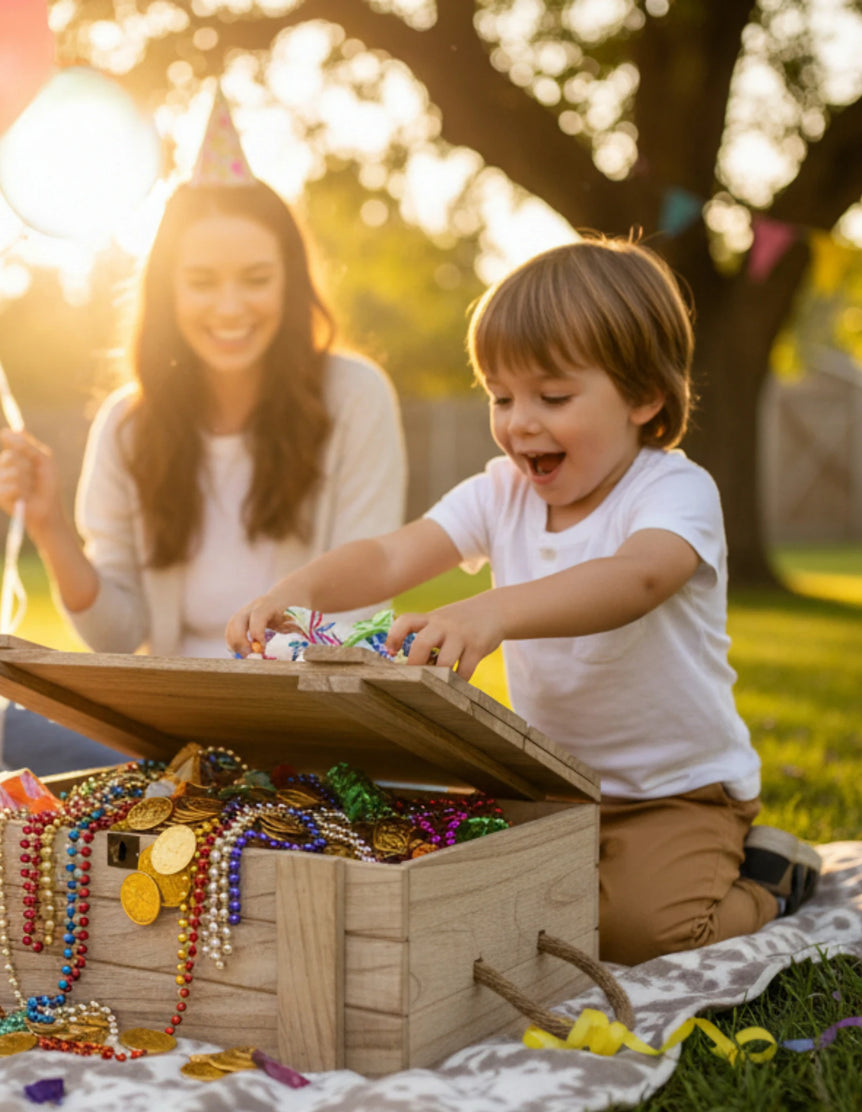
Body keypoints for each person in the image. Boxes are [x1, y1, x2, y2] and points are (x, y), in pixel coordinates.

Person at [227, 236, 820, 967]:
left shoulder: (672, 489)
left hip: (674, 791)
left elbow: (636, 578)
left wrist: (492, 612)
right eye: (501, 397)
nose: (519, 423)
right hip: (546, 782)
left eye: (553, 396)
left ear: (644, 396)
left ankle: (769, 876)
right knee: (457, 885)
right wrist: (295, 592)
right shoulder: (499, 492)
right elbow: (390, 554)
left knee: (640, 933)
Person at [0, 96, 407, 789]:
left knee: (362, 764)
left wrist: (255, 706)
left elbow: (361, 606)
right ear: (168, 292)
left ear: (292, 282)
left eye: (257, 279)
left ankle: (211, 790)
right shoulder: (127, 423)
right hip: (165, 732)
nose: (230, 307)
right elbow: (118, 637)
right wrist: (51, 526)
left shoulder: (355, 397)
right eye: (202, 283)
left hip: (308, 725)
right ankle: (201, 788)